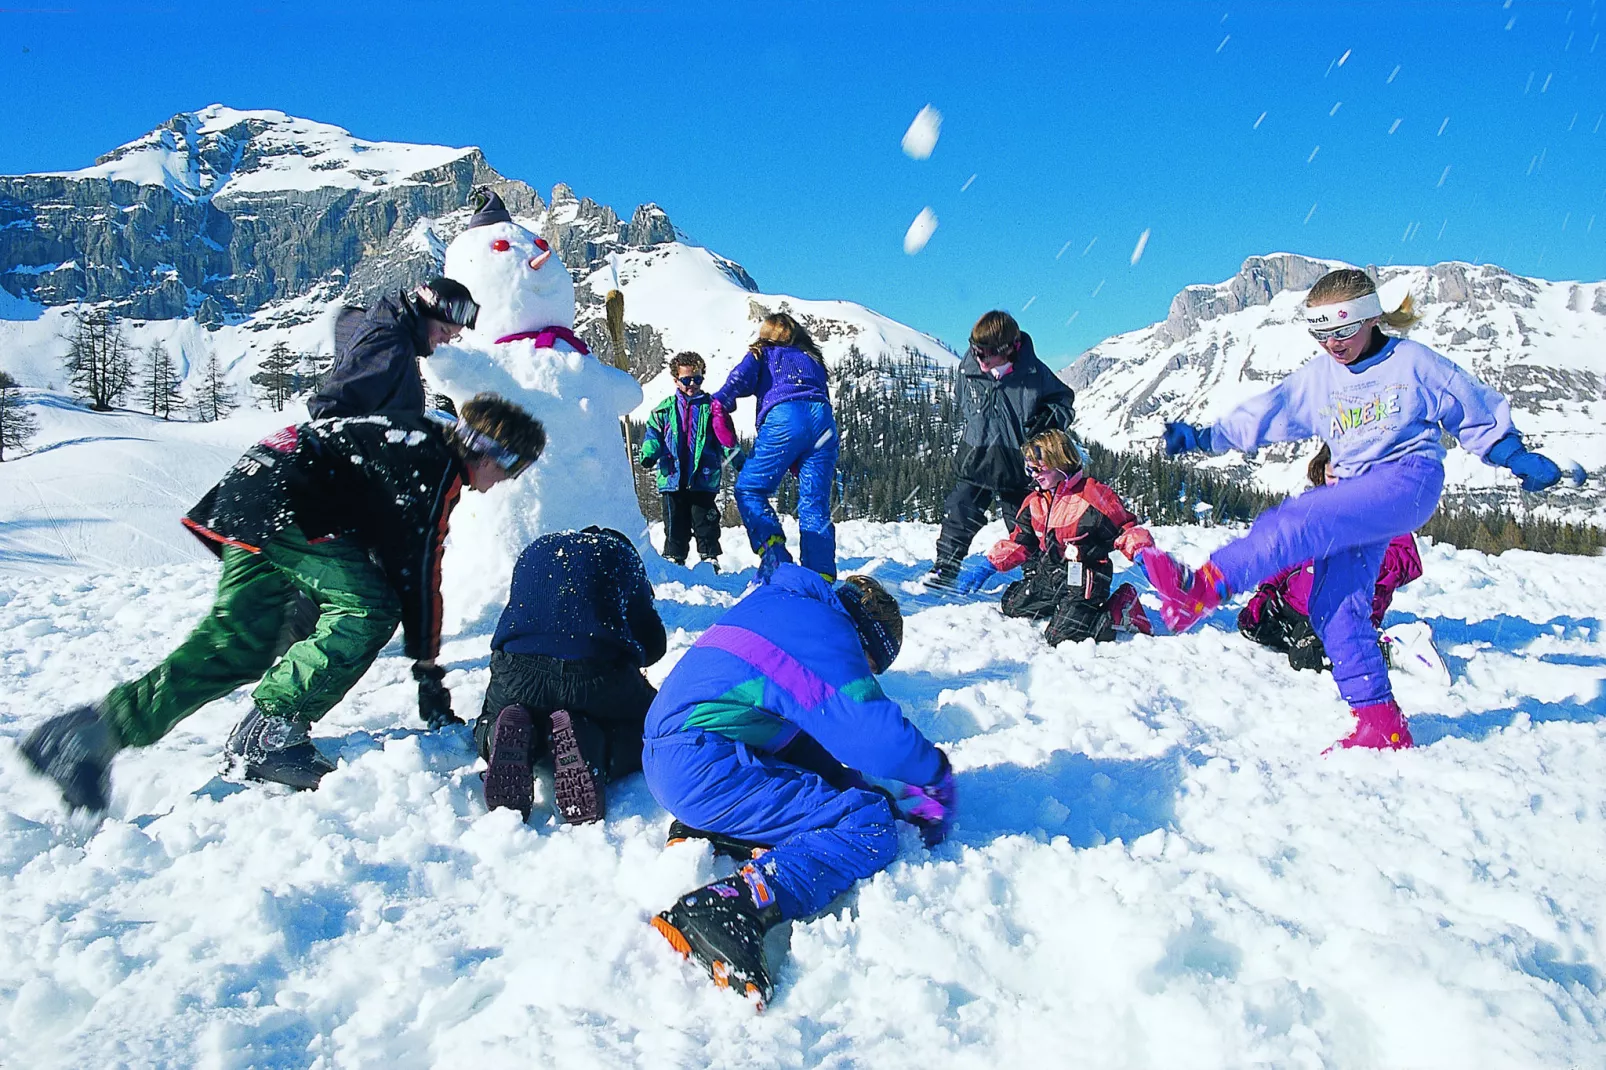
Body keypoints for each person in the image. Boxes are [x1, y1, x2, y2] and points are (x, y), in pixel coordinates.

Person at [19, 395, 547, 813]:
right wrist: (428, 667)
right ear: (493, 450)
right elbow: (417, 568)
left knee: (238, 643)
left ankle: (88, 734)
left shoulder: (416, 438)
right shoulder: (435, 462)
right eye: (512, 469)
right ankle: (270, 730)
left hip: (251, 494)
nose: (500, 484)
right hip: (288, 503)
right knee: (370, 607)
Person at [1140, 268, 1570, 751]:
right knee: (1334, 604)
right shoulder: (1321, 378)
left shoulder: (1411, 363)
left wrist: (1511, 453)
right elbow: (1271, 411)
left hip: (1408, 479)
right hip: (1353, 489)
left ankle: (1204, 587)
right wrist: (1204, 437)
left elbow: (1467, 404)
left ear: (1370, 319)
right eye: (1321, 333)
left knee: (1302, 519)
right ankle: (1380, 722)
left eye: (1342, 331)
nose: (1333, 343)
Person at [643, 567, 953, 1008]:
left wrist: (853, 785)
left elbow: (797, 742)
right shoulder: (827, 633)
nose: (862, 674)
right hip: (703, 767)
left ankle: (716, 829)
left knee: (852, 800)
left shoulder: (783, 608)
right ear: (863, 639)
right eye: (866, 668)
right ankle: (730, 907)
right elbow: (872, 735)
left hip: (676, 757)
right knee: (868, 826)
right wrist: (934, 773)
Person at [477, 527, 667, 824]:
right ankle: (596, 746)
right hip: (593, 674)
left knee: (492, 715)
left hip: (517, 671)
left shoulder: (537, 547)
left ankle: (498, 736)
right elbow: (654, 644)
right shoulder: (624, 556)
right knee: (654, 726)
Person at [957, 429, 1155, 644]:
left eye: (1038, 468)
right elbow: (1020, 542)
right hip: (1051, 572)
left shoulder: (1094, 496)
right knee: (1013, 605)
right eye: (1029, 468)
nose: (1033, 474)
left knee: (1062, 636)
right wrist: (989, 565)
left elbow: (1125, 528)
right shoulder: (1035, 501)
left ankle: (1121, 608)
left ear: (1060, 462)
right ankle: (1067, 605)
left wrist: (1142, 551)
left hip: (1087, 575)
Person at [1238, 444, 1423, 672]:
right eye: (1333, 476)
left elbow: (1407, 560)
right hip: (1296, 605)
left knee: (1306, 657)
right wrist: (1266, 591)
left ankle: (1380, 650)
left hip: (1341, 612)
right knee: (1251, 624)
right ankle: (1304, 637)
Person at [928, 310, 1076, 590]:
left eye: (988, 353)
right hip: (976, 456)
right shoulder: (968, 369)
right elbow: (962, 400)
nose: (980, 359)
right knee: (959, 514)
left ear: (1011, 348)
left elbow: (1064, 401)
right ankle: (945, 568)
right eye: (976, 351)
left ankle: (1037, 576)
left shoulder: (1034, 374)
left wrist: (1048, 419)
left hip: (1018, 464)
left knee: (1026, 523)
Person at [709, 313, 839, 581]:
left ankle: (774, 555)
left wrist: (720, 402)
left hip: (785, 418)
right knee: (814, 502)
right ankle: (821, 576)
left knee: (750, 489)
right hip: (823, 421)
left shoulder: (763, 353)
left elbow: (734, 384)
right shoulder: (812, 359)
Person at [307, 276, 480, 420]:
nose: (445, 341)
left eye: (451, 336)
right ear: (427, 312)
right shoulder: (391, 343)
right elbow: (331, 408)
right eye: (444, 330)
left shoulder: (394, 331)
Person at [638, 352, 734, 570]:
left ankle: (709, 557)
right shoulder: (664, 409)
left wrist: (738, 460)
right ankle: (675, 557)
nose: (692, 384)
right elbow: (653, 433)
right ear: (675, 380)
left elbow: (726, 437)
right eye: (686, 380)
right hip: (672, 476)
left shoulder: (712, 408)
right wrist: (650, 452)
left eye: (697, 379)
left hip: (703, 477)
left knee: (705, 521)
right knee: (674, 523)